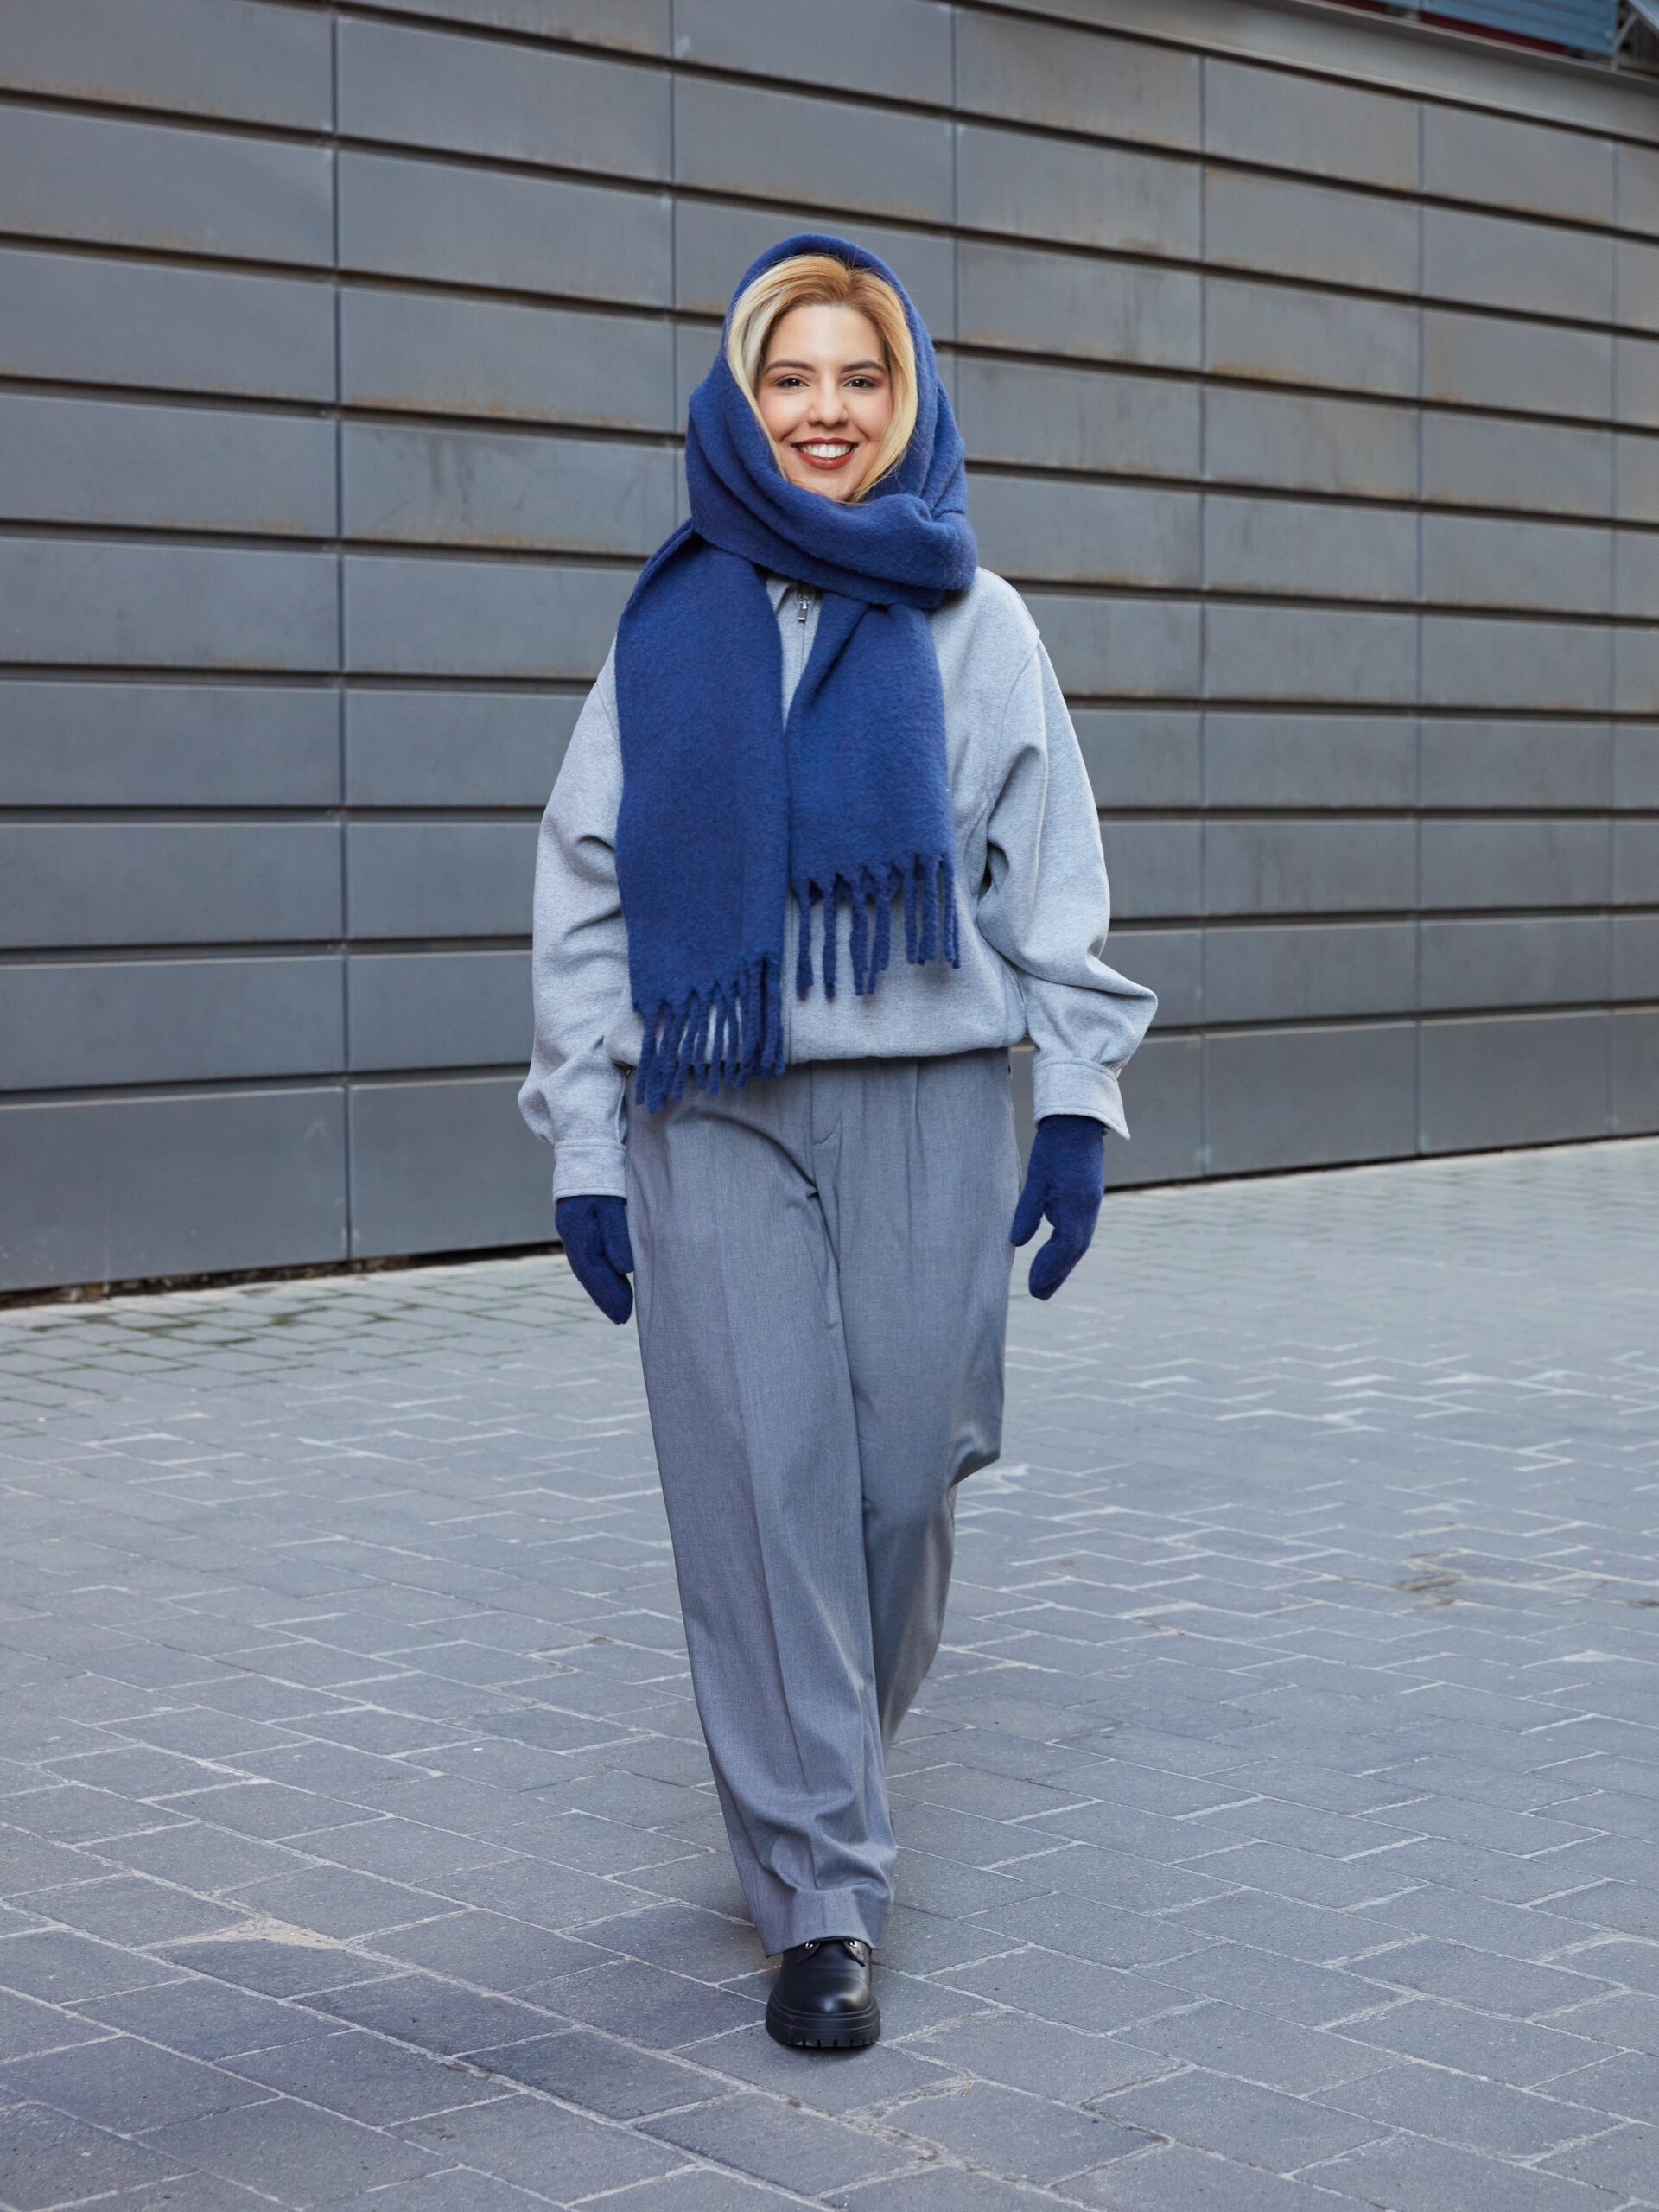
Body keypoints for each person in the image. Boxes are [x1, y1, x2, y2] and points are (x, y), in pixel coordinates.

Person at [518, 233, 1156, 2051]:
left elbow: (1051, 876)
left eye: (858, 377)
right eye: (788, 377)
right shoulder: (671, 619)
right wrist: (582, 1138)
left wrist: (1076, 1099)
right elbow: (582, 886)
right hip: (709, 1100)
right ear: (743, 400)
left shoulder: (978, 619)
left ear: (906, 398)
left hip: (929, 1102)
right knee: (757, 1481)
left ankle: (816, 1776)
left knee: (897, 1480)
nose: (823, 409)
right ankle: (824, 1892)